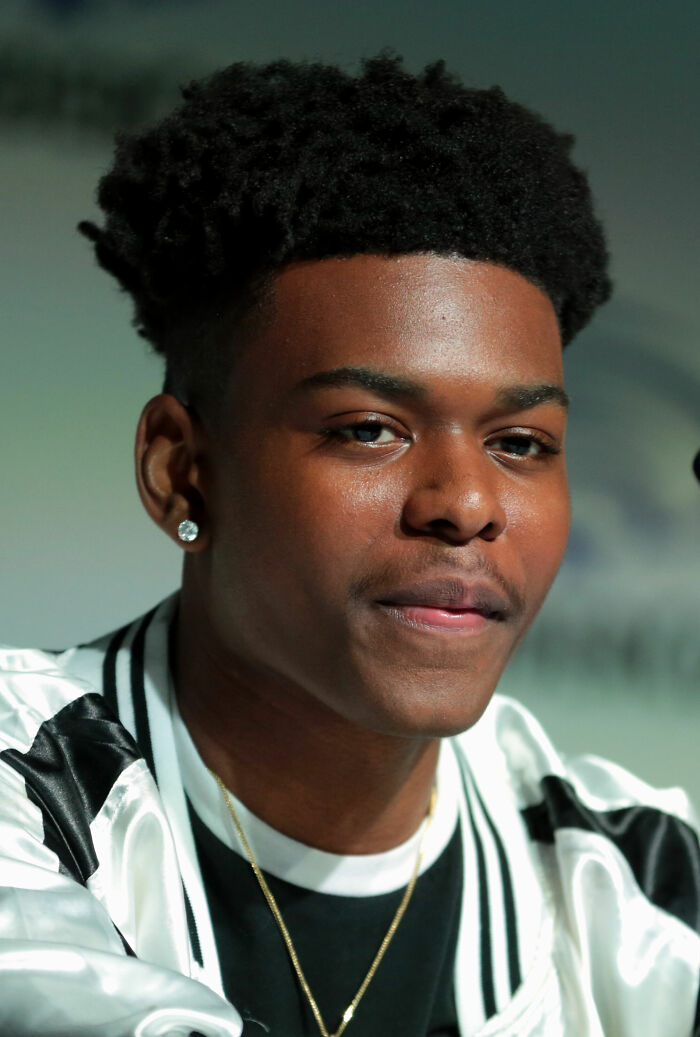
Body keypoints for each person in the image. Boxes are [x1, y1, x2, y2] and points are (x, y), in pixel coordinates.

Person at [0, 54, 698, 1037]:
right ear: (179, 471)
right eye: (368, 427)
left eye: (519, 443)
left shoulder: (641, 881)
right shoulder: (29, 789)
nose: (464, 501)